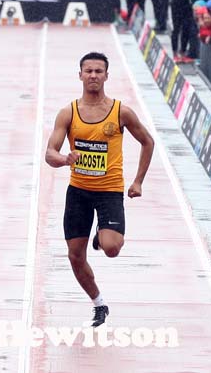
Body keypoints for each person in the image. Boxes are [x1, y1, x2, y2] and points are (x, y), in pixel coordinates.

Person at [44, 52, 154, 327]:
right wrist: (64, 159)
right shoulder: (68, 113)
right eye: (88, 71)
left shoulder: (121, 112)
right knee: (74, 255)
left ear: (107, 75)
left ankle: (101, 235)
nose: (93, 75)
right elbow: (49, 153)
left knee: (111, 248)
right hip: (78, 191)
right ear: (79, 75)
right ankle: (99, 303)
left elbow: (147, 142)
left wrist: (138, 181)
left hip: (109, 191)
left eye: (98, 71)